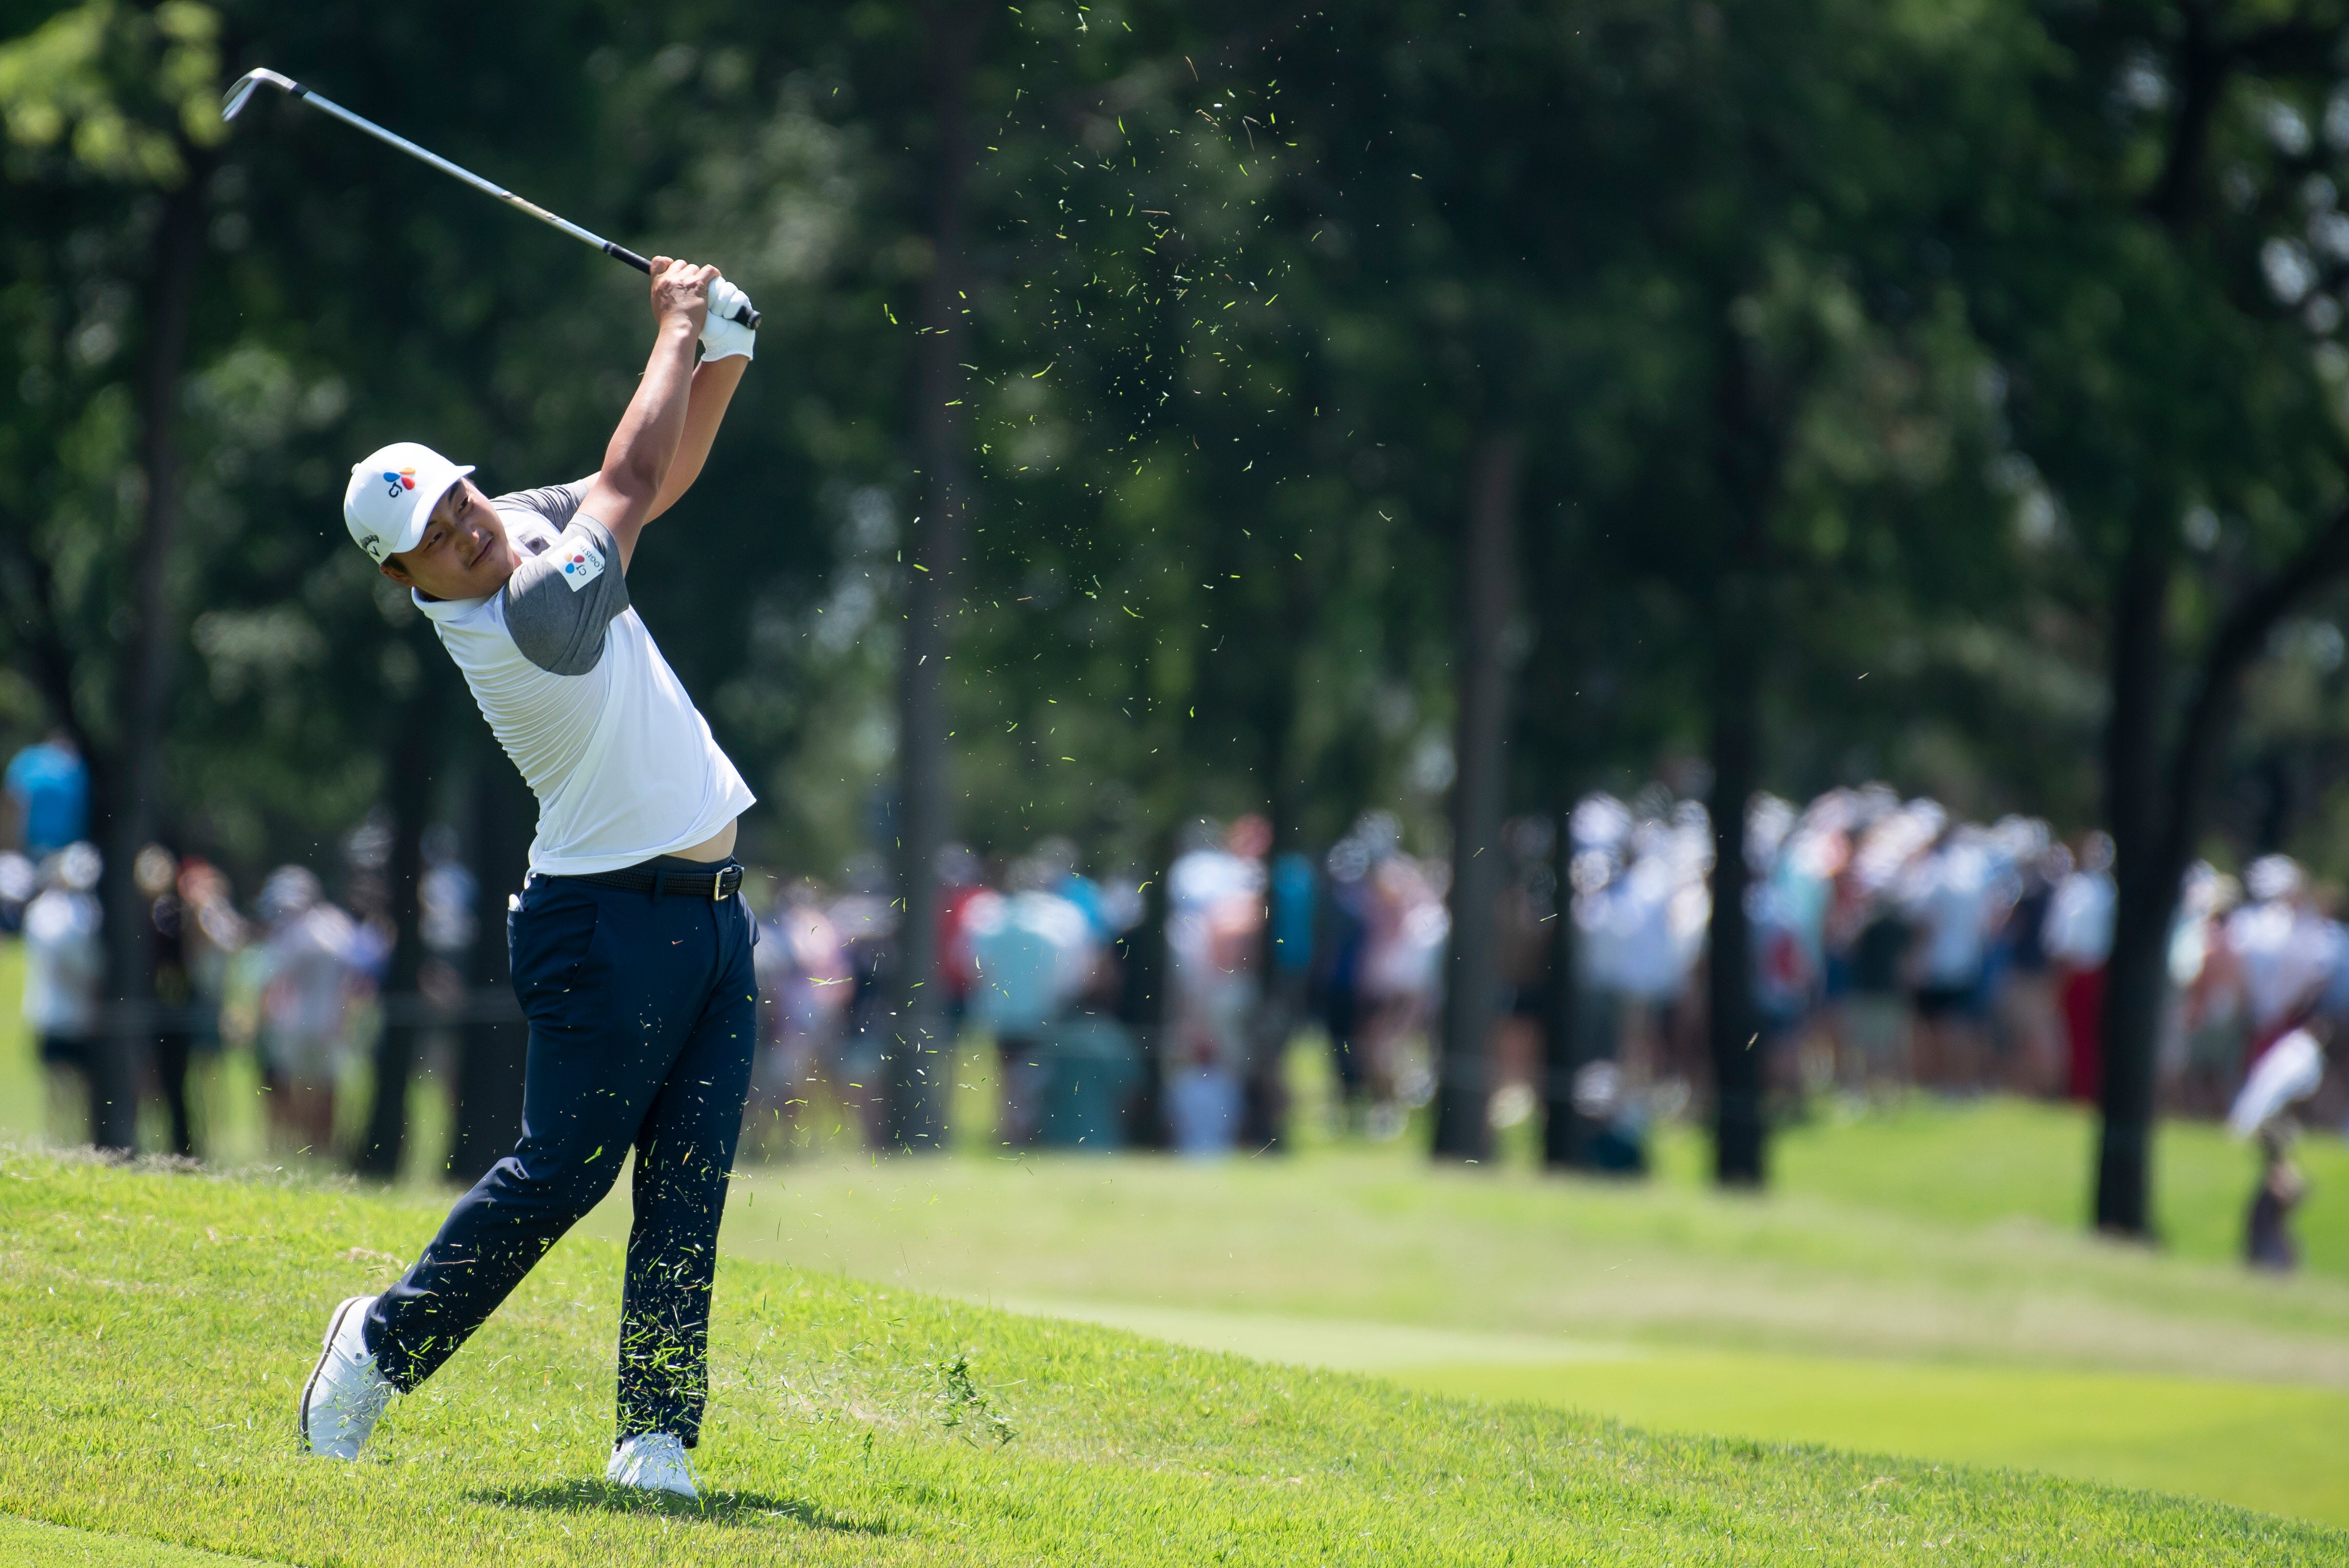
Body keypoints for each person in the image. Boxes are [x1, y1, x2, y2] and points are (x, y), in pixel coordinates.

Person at [298, 258, 760, 1503]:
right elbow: (621, 478)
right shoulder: (524, 621)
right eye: (432, 538)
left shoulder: (518, 525)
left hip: (712, 920)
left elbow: (649, 482)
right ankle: (377, 1347)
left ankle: (653, 1436)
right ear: (406, 584)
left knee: (685, 1189)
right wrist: (672, 326)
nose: (462, 524)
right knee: (560, 1175)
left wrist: (722, 355)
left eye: (454, 497)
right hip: (600, 926)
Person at [22, 842, 104, 1144]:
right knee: (66, 1090)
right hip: (65, 1014)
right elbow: (81, 965)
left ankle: (69, 1144)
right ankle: (64, 1145)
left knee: (69, 1092)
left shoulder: (44, 910)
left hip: (58, 1013)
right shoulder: (67, 913)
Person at [4, 732, 88, 859]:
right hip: (60, 845)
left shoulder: (28, 758)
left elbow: (11, 797)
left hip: (26, 840)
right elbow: (82, 811)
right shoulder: (74, 766)